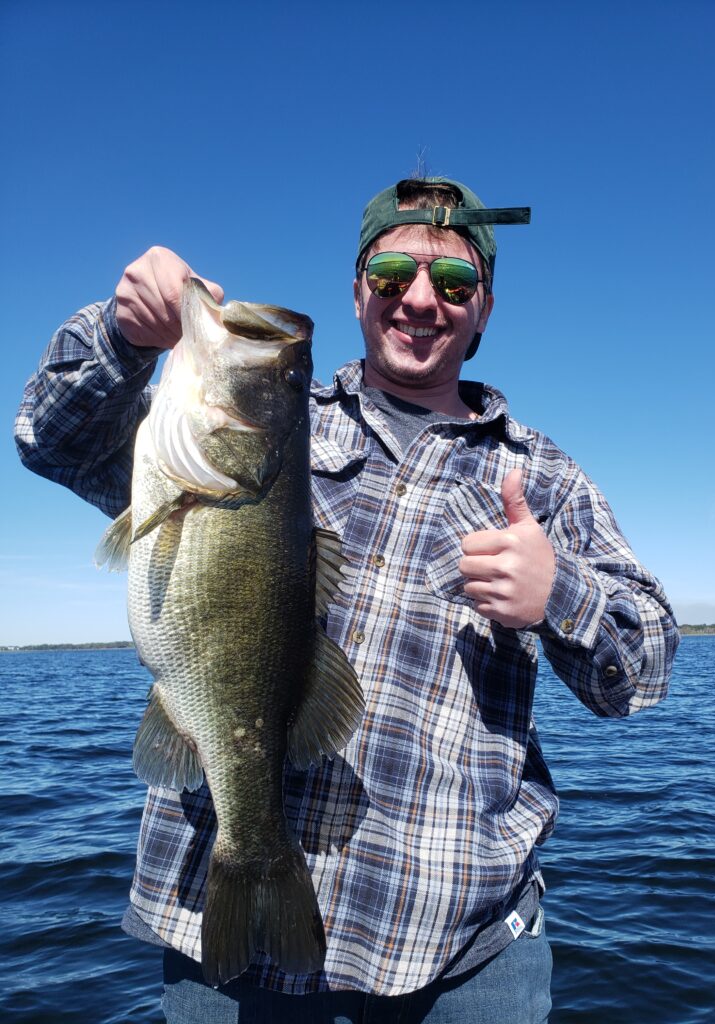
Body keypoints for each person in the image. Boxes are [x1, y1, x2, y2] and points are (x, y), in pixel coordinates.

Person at [15, 177, 679, 1023]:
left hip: (461, 957)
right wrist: (122, 335)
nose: (420, 298)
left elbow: (647, 669)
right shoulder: (253, 427)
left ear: (483, 310)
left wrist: (563, 594)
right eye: (394, 269)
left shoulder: (543, 477)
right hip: (230, 949)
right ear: (359, 289)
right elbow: (51, 437)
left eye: (454, 283)